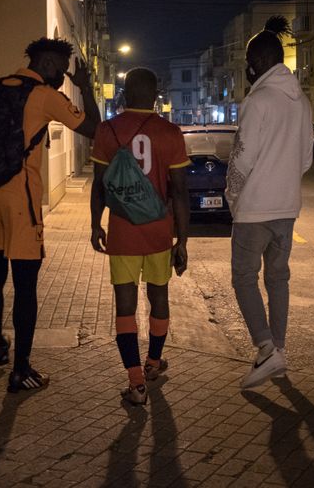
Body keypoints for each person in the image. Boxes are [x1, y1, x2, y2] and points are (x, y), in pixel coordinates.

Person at [0, 37, 99, 392]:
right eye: (60, 71)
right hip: (20, 199)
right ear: (46, 64)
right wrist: (85, 89)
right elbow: (94, 128)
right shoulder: (44, 96)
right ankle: (21, 369)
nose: (62, 78)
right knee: (26, 284)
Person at [90, 68, 190, 405]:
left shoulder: (108, 130)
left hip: (122, 231)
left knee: (125, 306)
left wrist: (95, 225)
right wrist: (183, 241)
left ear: (124, 93)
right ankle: (151, 363)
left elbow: (98, 186)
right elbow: (180, 192)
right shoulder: (171, 133)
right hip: (159, 232)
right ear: (156, 93)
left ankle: (135, 383)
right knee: (158, 298)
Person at [225, 16, 313, 389]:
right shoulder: (302, 102)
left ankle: (265, 347)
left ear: (258, 63)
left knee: (244, 278)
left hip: (254, 209)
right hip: (287, 207)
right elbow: (306, 160)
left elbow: (242, 158)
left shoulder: (257, 101)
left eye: (249, 62)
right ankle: (278, 348)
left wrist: (232, 195)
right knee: (278, 278)